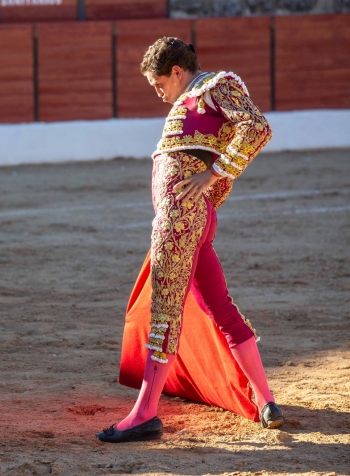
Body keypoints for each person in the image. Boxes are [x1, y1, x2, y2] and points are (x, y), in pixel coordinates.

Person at [97, 37, 284, 444]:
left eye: (159, 84)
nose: (160, 94)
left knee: (164, 314)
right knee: (221, 307)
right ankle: (266, 400)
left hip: (179, 221)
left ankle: (145, 414)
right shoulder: (196, 97)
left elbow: (258, 127)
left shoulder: (215, 86)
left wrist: (214, 173)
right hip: (192, 221)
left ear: (177, 72)